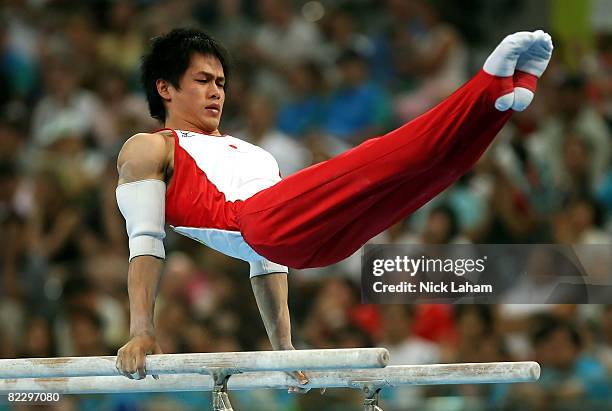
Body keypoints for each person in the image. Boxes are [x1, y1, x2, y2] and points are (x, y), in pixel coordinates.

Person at [114, 28, 553, 391]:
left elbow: (267, 261)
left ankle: (497, 104)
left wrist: (284, 353)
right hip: (261, 226)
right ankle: (486, 84)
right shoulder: (148, 149)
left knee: (425, 176)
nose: (216, 92)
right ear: (165, 88)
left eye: (221, 83)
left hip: (297, 242)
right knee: (388, 156)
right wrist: (141, 331)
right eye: (203, 80)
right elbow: (147, 242)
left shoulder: (256, 155)